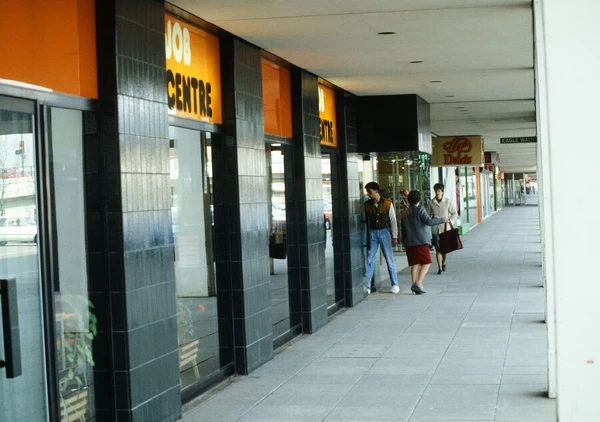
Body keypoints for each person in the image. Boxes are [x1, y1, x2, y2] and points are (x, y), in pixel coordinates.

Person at [400, 190, 448, 294]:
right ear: (419, 200)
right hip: (420, 241)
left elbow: (403, 230)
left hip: (409, 242)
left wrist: (404, 242)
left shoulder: (404, 213)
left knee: (415, 263)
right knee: (427, 262)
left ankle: (413, 285)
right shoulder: (420, 209)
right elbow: (429, 222)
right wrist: (442, 220)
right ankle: (419, 283)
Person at [363, 181, 400, 294]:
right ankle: (367, 285)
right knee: (370, 259)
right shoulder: (367, 205)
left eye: (370, 192)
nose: (368, 194)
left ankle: (395, 284)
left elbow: (393, 221)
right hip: (372, 233)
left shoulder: (388, 204)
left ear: (376, 191)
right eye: (367, 192)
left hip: (384, 232)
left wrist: (394, 236)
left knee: (389, 259)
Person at [426, 183, 458, 275]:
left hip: (445, 229)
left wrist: (450, 221)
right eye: (436, 191)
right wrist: (432, 217)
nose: (437, 192)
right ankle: (439, 267)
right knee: (438, 249)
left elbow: (454, 213)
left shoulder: (447, 201)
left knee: (445, 249)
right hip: (436, 229)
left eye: (439, 191)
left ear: (442, 192)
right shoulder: (431, 203)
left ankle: (443, 262)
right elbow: (426, 215)